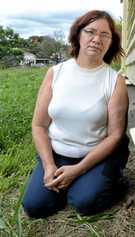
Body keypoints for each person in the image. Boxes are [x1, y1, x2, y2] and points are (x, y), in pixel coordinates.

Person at [22, 10, 129, 218]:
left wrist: (78, 170)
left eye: (105, 35)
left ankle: (113, 180)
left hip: (94, 156)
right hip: (57, 155)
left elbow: (115, 135)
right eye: (90, 31)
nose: (97, 39)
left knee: (85, 203)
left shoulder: (114, 81)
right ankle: (70, 182)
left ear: (110, 42)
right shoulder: (56, 73)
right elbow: (39, 125)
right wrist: (48, 165)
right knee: (35, 207)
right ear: (78, 35)